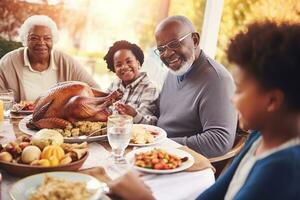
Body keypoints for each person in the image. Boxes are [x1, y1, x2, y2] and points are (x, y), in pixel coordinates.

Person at [108, 21, 300, 200]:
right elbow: (213, 195)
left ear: (272, 101)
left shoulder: (284, 170)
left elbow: (219, 140)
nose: (232, 99)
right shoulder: (260, 138)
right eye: (161, 49)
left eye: (239, 89)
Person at [155, 15, 237, 157]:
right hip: (157, 153)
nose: (167, 53)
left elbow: (219, 140)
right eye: (161, 49)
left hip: (184, 164)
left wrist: (162, 145)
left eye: (174, 44)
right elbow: (162, 116)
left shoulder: (217, 79)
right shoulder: (174, 72)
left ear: (194, 40)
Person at [0, 15, 100, 102]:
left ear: (53, 40)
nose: (41, 43)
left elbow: (95, 90)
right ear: (25, 40)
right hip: (19, 122)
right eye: (34, 38)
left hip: (59, 121)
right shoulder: (8, 62)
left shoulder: (66, 62)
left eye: (47, 38)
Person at [104, 40, 159, 125]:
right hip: (112, 133)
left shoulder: (149, 88)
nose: (124, 67)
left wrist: (134, 115)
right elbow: (104, 106)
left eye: (129, 61)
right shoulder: (115, 84)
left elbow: (150, 124)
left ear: (138, 62)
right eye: (118, 65)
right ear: (114, 68)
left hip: (135, 135)